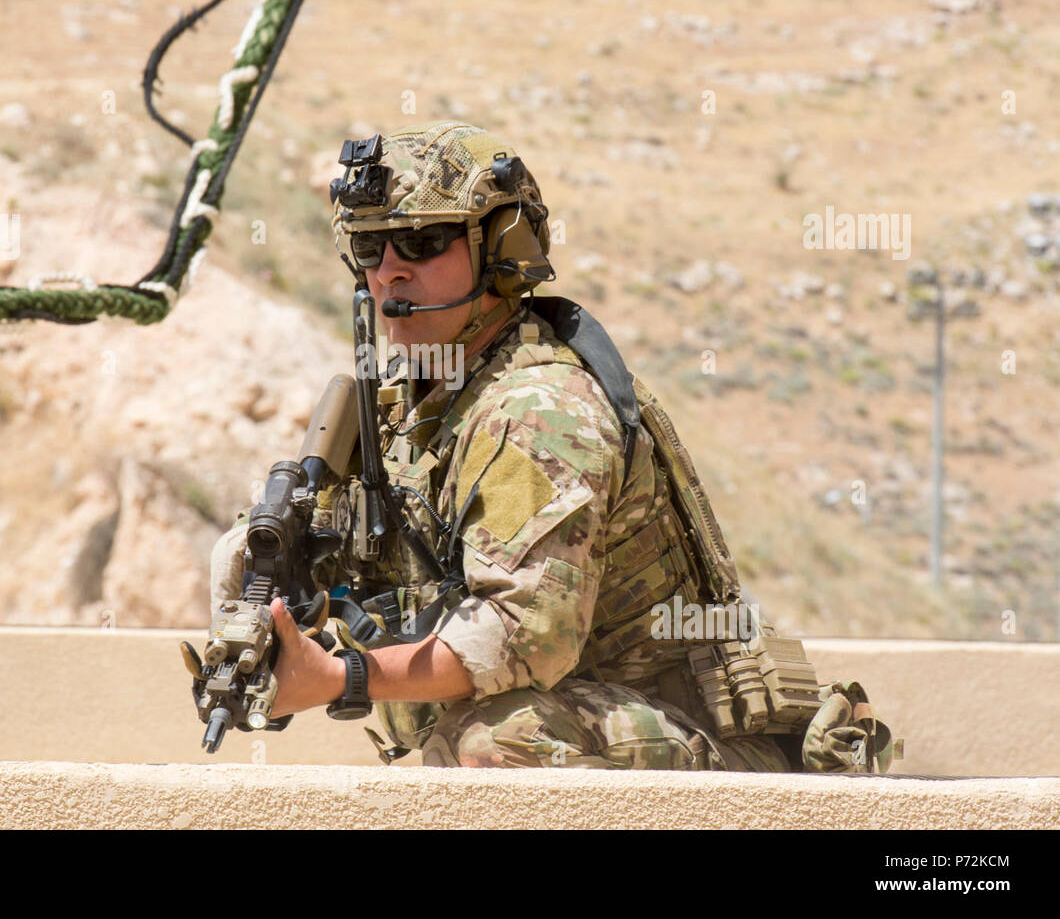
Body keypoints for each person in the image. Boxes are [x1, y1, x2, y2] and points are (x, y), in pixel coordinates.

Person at [209, 120, 892, 772]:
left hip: (692, 739)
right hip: (589, 714)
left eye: (420, 243)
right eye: (368, 248)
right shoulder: (416, 406)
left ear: (500, 249)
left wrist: (339, 677)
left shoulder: (538, 412)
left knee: (496, 743)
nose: (388, 272)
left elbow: (522, 637)